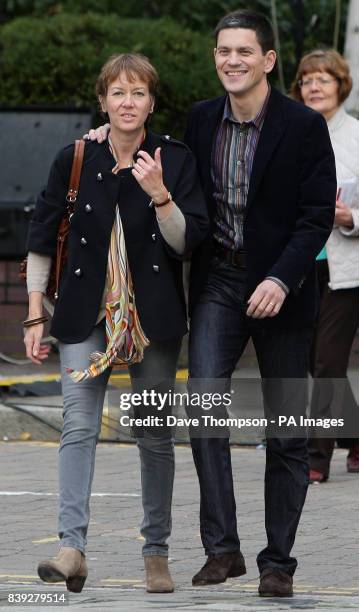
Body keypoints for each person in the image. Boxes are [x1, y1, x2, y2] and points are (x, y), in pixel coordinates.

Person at [88, 10, 336, 598]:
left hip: (285, 289)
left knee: (288, 430)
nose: (232, 61)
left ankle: (278, 561)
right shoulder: (201, 120)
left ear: (268, 61)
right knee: (203, 412)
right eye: (223, 51)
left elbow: (316, 216)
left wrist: (281, 278)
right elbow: (151, 152)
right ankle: (222, 549)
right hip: (220, 281)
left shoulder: (302, 126)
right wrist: (107, 136)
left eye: (244, 52)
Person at [24, 52, 208, 594]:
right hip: (85, 315)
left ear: (153, 102)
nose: (128, 103)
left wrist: (159, 195)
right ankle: (71, 547)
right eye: (118, 93)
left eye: (139, 93)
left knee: (153, 437)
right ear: (103, 100)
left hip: (152, 318)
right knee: (78, 428)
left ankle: (156, 551)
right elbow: (42, 234)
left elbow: (187, 241)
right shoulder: (76, 157)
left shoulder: (173, 159)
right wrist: (35, 313)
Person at [291, 49, 359, 483]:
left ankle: (316, 458)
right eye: (307, 80)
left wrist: (349, 217)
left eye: (324, 79)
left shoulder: (356, 136)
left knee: (329, 363)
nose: (314, 87)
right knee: (318, 363)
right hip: (300, 264)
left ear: (340, 85)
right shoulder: (292, 134)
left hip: (345, 267)